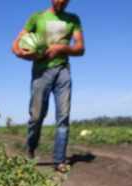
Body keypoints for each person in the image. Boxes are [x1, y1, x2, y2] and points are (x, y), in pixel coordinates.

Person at [12, 0, 85, 173]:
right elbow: (16, 44)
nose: (61, 2)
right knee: (36, 117)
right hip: (41, 72)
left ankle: (59, 160)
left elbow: (80, 48)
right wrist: (21, 53)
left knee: (63, 116)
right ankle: (30, 147)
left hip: (62, 71)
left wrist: (61, 48)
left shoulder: (73, 19)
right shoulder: (37, 18)